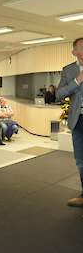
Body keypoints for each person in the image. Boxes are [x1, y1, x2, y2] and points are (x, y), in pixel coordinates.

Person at [57, 37, 83, 207]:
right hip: (78, 120)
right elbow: (59, 94)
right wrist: (77, 80)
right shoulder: (68, 71)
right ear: (74, 52)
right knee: (81, 160)